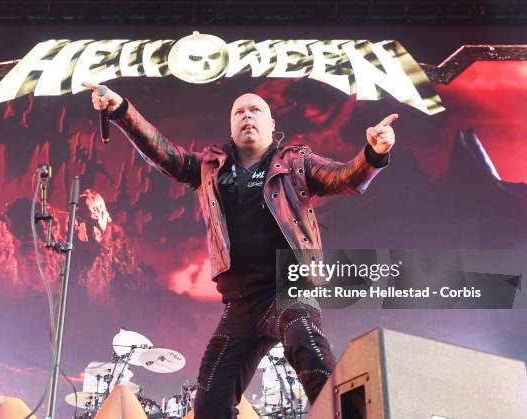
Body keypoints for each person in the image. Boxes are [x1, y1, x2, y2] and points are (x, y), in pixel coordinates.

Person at [83, 82, 397, 418]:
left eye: (255, 110)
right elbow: (164, 153)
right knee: (209, 403)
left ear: (272, 124)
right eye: (239, 112)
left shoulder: (295, 162)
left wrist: (373, 154)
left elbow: (345, 178)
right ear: (231, 126)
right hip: (241, 304)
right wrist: (120, 110)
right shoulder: (209, 167)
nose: (247, 116)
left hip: (288, 288)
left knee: (309, 348)